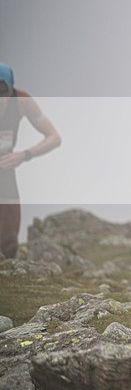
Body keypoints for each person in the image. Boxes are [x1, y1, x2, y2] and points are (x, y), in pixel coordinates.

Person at [0, 63, 61, 259]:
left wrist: (24, 155)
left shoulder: (22, 101)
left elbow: (54, 137)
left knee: (8, 239)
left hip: (6, 169)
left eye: (3, 91)